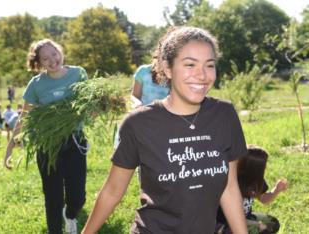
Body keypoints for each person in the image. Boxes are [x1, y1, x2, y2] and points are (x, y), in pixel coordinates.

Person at [81, 26, 248, 234]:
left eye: (210, 65)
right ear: (167, 68)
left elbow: (229, 187)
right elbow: (112, 191)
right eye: (189, 64)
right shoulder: (139, 123)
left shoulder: (224, 115)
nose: (202, 75)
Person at [4, 39, 89, 234]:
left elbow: (89, 103)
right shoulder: (36, 85)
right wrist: (9, 149)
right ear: (39, 63)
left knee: (78, 197)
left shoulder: (78, 74)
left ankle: (70, 215)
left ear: (60, 52)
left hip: (74, 141)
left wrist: (92, 110)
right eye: (45, 58)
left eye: (54, 54)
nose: (52, 60)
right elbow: (23, 118)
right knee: (53, 197)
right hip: (47, 145)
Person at [215, 146, 288, 234]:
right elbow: (235, 217)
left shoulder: (256, 181)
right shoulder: (234, 184)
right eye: (264, 166)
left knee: (273, 223)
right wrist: (257, 224)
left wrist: (276, 190)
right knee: (263, 230)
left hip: (246, 218)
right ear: (254, 169)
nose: (266, 168)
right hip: (228, 222)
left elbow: (264, 199)